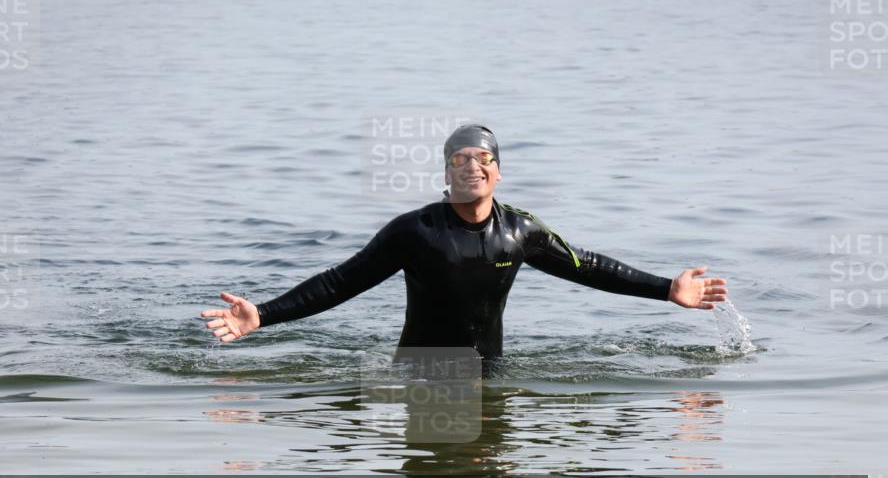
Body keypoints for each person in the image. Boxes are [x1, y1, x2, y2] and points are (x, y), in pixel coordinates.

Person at [201, 125, 727, 360]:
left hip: (490, 373)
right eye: (459, 159)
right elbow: (342, 281)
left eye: (482, 158)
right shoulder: (415, 232)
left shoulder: (521, 232)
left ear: (499, 171)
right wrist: (263, 315)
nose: (471, 166)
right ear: (445, 174)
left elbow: (586, 265)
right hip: (421, 377)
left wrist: (667, 289)